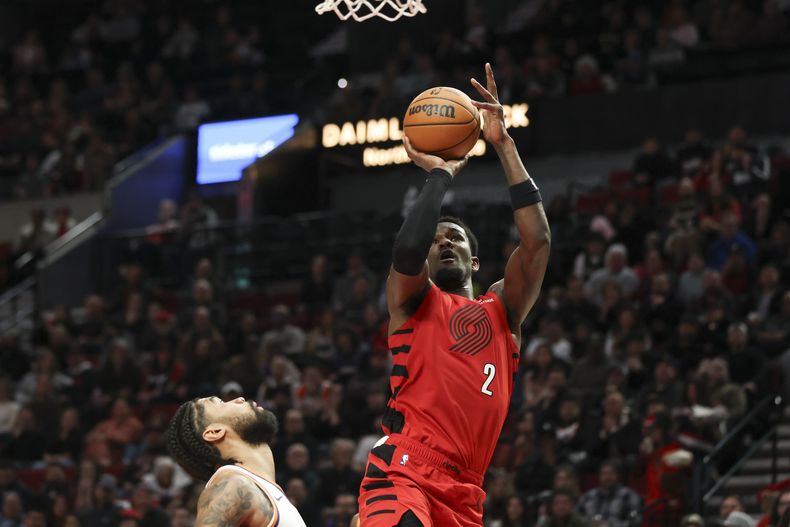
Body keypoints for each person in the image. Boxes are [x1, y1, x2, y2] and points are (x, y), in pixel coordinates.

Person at [357, 64, 550, 527]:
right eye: (436, 239)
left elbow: (538, 242)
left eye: (456, 238)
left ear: (477, 263)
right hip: (404, 469)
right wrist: (441, 174)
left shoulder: (503, 310)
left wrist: (504, 145)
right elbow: (406, 247)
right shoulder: (412, 302)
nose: (443, 242)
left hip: (465, 492)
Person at [165, 396, 306, 526]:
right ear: (215, 432)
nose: (240, 399)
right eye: (221, 403)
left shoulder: (260, 488)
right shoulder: (233, 483)